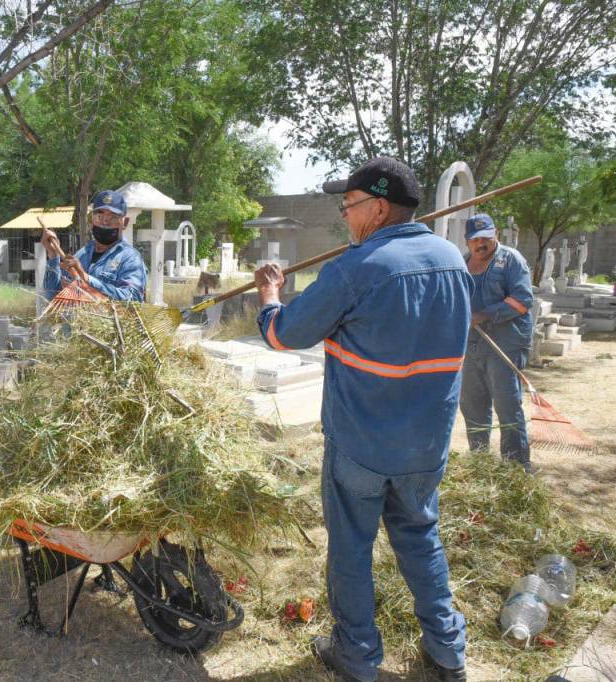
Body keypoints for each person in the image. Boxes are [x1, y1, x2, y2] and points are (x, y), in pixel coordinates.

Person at [254, 157, 471, 682]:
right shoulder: (453, 260)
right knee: (421, 537)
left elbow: (286, 334)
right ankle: (448, 652)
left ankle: (356, 654)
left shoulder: (357, 269)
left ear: (377, 208)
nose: (345, 217)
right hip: (425, 445)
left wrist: (269, 299)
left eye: (349, 206)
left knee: (351, 547)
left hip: (362, 446)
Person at [460, 213, 534, 470]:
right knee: (472, 404)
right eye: (475, 239)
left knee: (507, 406)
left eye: (486, 238)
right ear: (467, 241)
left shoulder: (511, 260)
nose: (481, 244)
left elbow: (523, 300)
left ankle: (515, 468)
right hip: (472, 344)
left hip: (505, 343)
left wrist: (482, 315)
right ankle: (480, 463)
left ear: (497, 235)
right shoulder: (463, 262)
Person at [41, 190, 147, 302]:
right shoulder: (82, 254)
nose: (105, 223)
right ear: (91, 220)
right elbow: (52, 298)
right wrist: (53, 255)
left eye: (113, 217)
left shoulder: (130, 258)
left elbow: (133, 299)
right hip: (77, 320)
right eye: (99, 216)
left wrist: (86, 278)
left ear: (124, 223)